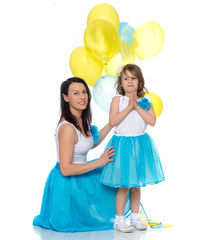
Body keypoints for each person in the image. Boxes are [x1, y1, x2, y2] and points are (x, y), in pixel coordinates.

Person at [33, 77, 130, 232]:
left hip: (81, 175)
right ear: (66, 97)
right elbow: (65, 169)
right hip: (68, 182)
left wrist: (112, 123)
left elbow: (90, 141)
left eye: (84, 92)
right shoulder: (67, 128)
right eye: (76, 93)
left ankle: (123, 217)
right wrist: (99, 162)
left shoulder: (80, 122)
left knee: (120, 179)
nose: (82, 97)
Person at [100, 64, 165, 233]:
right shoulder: (118, 100)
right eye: (126, 78)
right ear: (120, 83)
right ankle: (119, 219)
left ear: (139, 81)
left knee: (136, 184)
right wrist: (129, 106)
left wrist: (137, 106)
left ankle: (135, 217)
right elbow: (113, 121)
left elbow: (151, 121)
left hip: (140, 145)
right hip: (123, 145)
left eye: (133, 78)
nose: (129, 81)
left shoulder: (145, 101)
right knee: (124, 185)